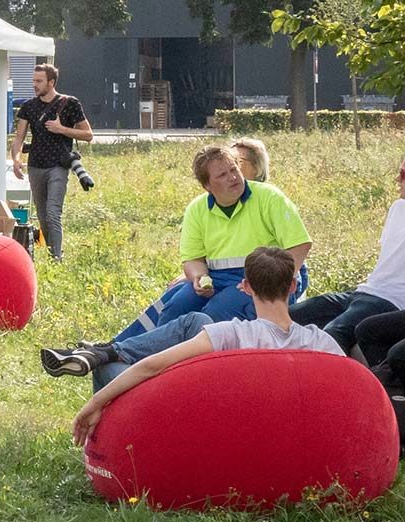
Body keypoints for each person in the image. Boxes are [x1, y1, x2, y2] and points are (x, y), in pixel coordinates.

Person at [66, 247, 340, 446]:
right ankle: (109, 351)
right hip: (278, 424)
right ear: (293, 286)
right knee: (195, 320)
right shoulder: (320, 341)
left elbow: (151, 367)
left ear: (245, 287)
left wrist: (94, 403)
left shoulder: (232, 334)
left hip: (208, 420)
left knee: (109, 369)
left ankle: (103, 447)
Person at [112, 144, 314, 342]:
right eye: (222, 175)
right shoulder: (197, 209)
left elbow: (300, 245)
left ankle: (185, 365)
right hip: (218, 278)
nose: (233, 177)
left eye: (234, 170)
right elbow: (193, 259)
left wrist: (276, 282)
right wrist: (199, 277)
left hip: (267, 277)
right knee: (175, 306)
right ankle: (128, 353)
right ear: (207, 185)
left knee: (216, 312)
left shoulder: (270, 197)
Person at [289, 152, 405, 352]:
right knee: (288, 316)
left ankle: (337, 383)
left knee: (333, 334)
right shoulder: (397, 208)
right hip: (363, 291)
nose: (397, 179)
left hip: (391, 301)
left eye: (403, 174)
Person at [9, 63, 92, 260]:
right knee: (42, 215)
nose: (34, 85)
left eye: (39, 81)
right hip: (36, 165)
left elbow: (88, 134)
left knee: (53, 213)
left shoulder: (69, 103)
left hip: (58, 165)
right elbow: (19, 137)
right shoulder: (28, 107)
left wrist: (61, 128)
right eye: (33, 81)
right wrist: (16, 159)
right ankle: (49, 251)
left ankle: (57, 257)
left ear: (51, 82)